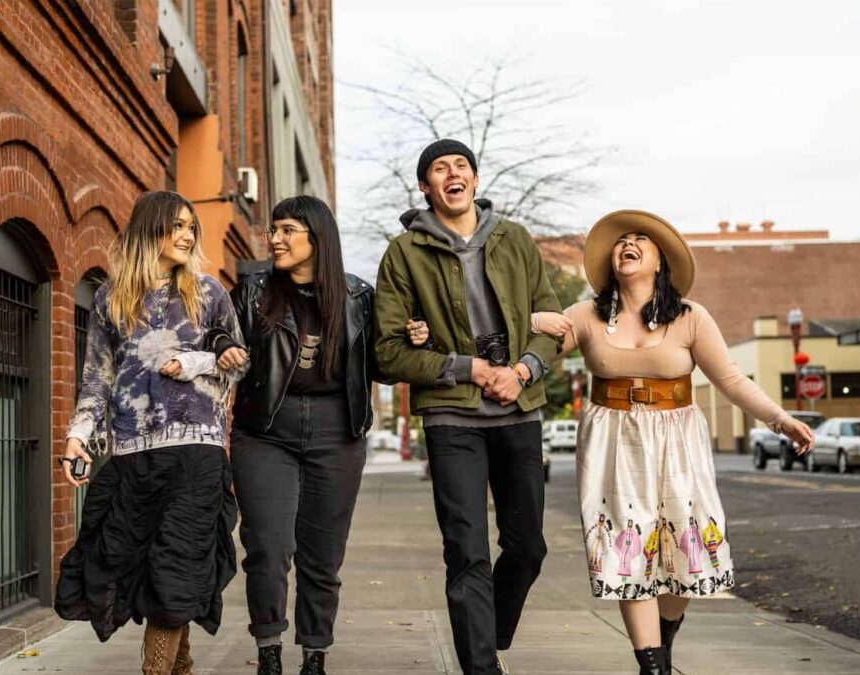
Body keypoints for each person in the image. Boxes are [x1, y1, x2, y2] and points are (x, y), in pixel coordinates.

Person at [528, 209, 816, 675]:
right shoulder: (584, 315)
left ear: (660, 261)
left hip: (678, 440)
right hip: (612, 442)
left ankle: (664, 632)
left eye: (641, 239)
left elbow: (730, 379)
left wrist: (781, 420)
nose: (628, 244)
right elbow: (531, 351)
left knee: (688, 553)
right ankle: (652, 666)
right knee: (630, 551)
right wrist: (535, 319)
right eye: (621, 240)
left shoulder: (690, 317)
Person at [374, 139, 563, 675]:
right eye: (440, 168)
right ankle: (481, 665)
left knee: (527, 547)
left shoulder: (515, 240)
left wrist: (522, 370)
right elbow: (388, 352)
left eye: (462, 166)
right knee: (467, 550)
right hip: (452, 417)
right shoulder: (404, 254)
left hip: (518, 408)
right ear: (425, 186)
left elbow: (550, 323)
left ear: (475, 181)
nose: (453, 174)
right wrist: (468, 368)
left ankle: (488, 633)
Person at [54, 191, 247, 675]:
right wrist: (79, 435)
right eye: (175, 226)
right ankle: (180, 667)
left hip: (196, 454)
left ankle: (156, 671)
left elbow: (239, 362)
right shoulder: (110, 298)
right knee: (137, 569)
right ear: (149, 230)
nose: (186, 235)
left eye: (190, 227)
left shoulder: (208, 293)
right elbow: (97, 377)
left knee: (176, 569)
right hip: (132, 457)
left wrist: (197, 362)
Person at [206, 195, 380, 675]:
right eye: (274, 229)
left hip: (336, 431)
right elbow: (221, 335)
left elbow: (381, 365)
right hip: (265, 431)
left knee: (323, 554)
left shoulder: (359, 296)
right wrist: (222, 346)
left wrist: (417, 337)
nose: (275, 239)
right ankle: (268, 651)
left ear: (317, 237)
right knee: (267, 546)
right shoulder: (255, 288)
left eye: (287, 230)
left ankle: (315, 654)